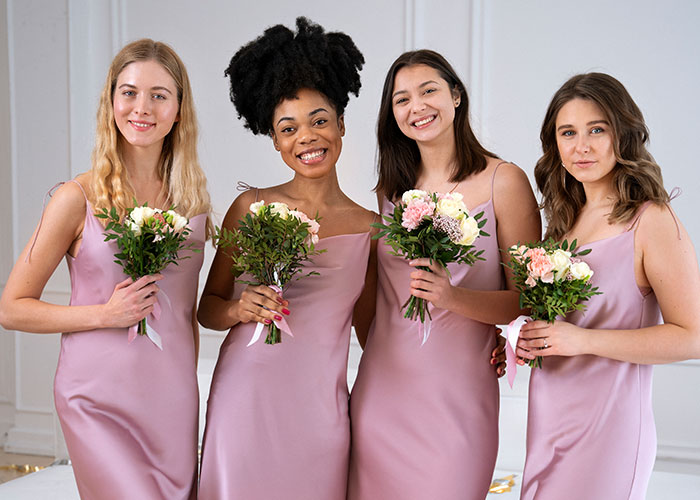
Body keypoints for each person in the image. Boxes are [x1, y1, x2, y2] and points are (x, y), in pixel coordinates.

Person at [0, 39, 210, 499]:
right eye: (129, 92)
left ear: (179, 110)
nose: (142, 108)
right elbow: (12, 308)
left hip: (171, 397)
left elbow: (184, 316)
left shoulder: (194, 206)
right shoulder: (75, 197)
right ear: (111, 102)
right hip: (95, 395)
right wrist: (103, 315)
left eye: (159, 95)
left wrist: (188, 395)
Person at [347, 50, 541, 500]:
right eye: (402, 99)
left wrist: (453, 298)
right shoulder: (390, 191)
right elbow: (375, 296)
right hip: (382, 392)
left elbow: (527, 301)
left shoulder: (503, 181)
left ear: (456, 95)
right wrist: (382, 349)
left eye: (429, 90)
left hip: (458, 395)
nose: (417, 106)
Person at [196, 17, 376, 500]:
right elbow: (208, 308)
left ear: (340, 124)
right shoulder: (250, 208)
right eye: (288, 128)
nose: (307, 137)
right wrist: (238, 309)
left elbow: (374, 333)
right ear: (274, 140)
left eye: (319, 120)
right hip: (246, 396)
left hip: (320, 408)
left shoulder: (371, 229)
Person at [517, 72, 700, 499]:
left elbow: (692, 336)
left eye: (597, 129)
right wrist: (527, 340)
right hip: (549, 418)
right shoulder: (561, 226)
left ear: (624, 134)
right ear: (555, 144)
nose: (582, 146)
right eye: (568, 132)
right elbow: (561, 328)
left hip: (609, 428)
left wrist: (581, 340)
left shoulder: (652, 220)